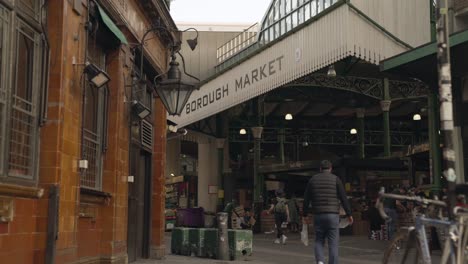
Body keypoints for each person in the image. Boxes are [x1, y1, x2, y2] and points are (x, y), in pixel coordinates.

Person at [303, 160, 353, 264]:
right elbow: (343, 198)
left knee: (319, 240)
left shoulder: (312, 180)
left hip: (318, 215)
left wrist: (305, 214)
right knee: (333, 243)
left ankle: (320, 261)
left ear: (320, 169)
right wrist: (349, 214)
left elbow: (306, 199)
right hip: (333, 215)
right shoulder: (336, 179)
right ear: (330, 169)